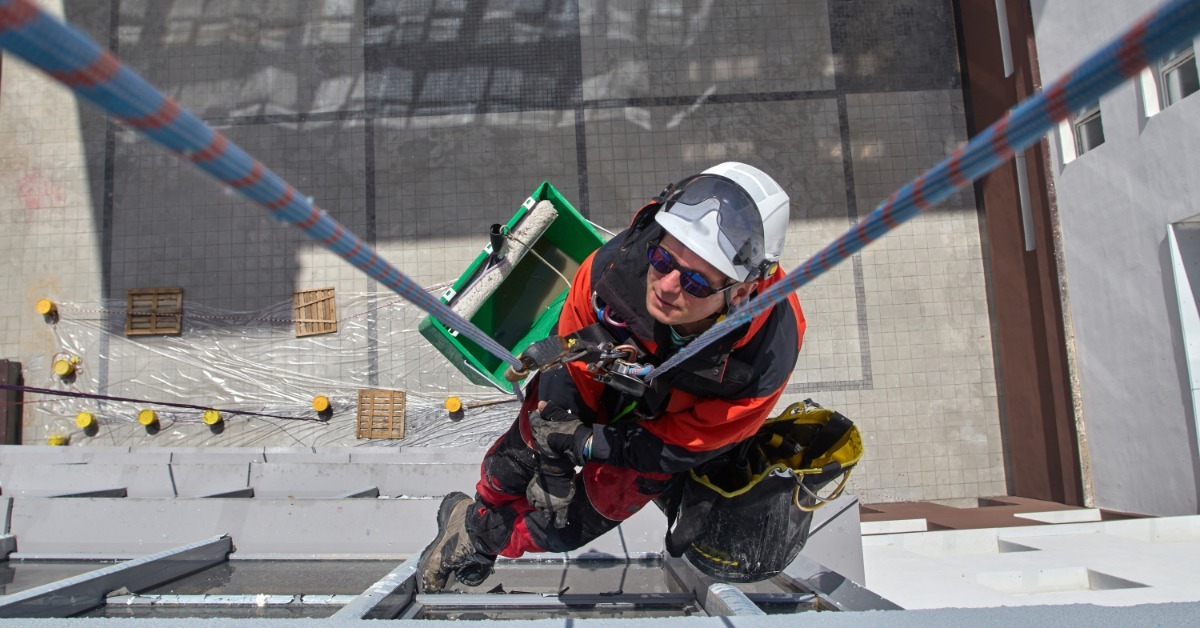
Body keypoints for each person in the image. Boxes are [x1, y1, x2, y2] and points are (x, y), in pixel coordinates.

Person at [417, 162, 806, 591]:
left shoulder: (765, 355)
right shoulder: (614, 269)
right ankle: (471, 522)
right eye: (663, 259)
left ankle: (486, 543)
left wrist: (592, 444)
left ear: (743, 291)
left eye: (696, 282)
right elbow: (575, 358)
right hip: (601, 372)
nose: (667, 286)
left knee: (565, 525)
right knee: (516, 461)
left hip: (665, 427)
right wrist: (558, 438)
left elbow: (687, 441)